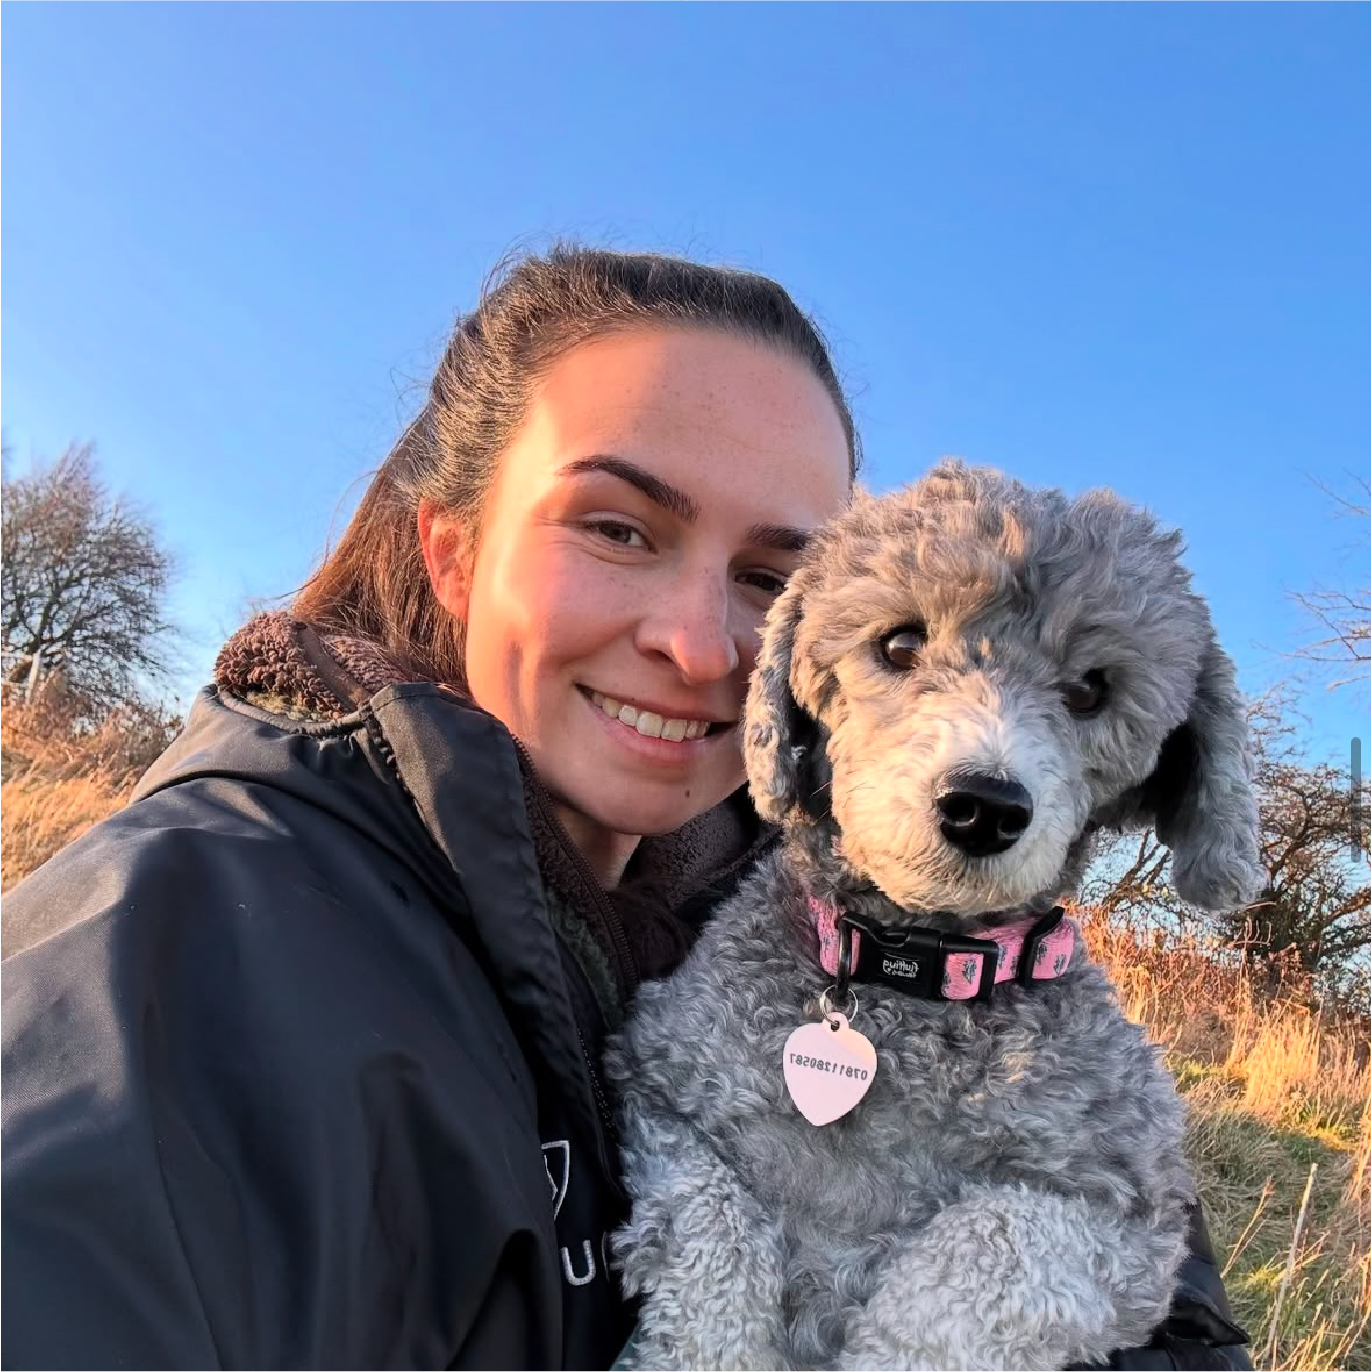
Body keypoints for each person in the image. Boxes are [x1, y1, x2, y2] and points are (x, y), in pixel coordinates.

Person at [1, 246, 1252, 1372]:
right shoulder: (173, 949)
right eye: (617, 526)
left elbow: (1158, 1281)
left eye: (768, 572)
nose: (700, 644)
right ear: (451, 548)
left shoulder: (810, 890)